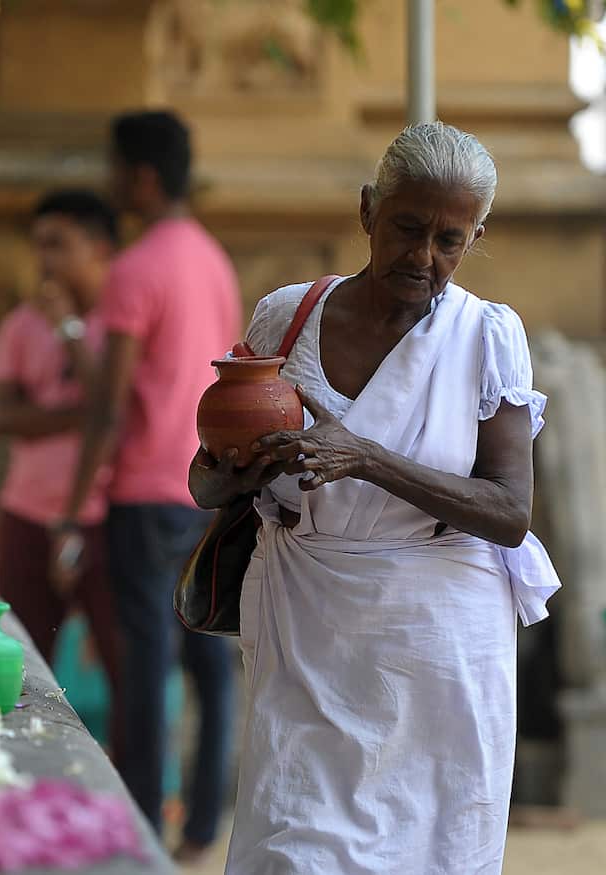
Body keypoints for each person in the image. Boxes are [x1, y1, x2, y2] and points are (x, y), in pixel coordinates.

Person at [191, 121, 561, 874]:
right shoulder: (285, 318)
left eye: (450, 240)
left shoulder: (488, 336)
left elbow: (509, 511)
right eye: (408, 228)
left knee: (427, 851)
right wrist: (237, 473)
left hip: (440, 658)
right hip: (308, 633)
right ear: (367, 211)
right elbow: (203, 480)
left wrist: (366, 458)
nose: (425, 257)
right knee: (294, 846)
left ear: (475, 236)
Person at [50, 111, 242, 857]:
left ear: (141, 177)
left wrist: (70, 512)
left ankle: (139, 827)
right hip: (204, 487)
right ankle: (200, 825)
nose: (109, 181)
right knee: (208, 660)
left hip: (140, 492)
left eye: (114, 167)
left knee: (146, 664)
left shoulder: (134, 270)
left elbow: (107, 403)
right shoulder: (212, 260)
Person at [0, 189, 125, 757]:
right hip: (26, 512)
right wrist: (84, 415)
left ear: (99, 250)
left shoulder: (122, 329)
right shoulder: (20, 325)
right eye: (38, 245)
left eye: (58, 245)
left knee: (126, 667)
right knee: (16, 659)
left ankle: (139, 802)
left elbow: (113, 409)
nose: (44, 260)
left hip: (107, 518)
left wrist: (70, 331)